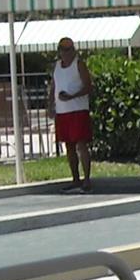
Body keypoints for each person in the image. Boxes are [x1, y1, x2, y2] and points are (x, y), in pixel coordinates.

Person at [51, 36, 94, 192]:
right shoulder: (57, 66)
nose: (66, 52)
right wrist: (50, 104)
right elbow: (53, 86)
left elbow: (88, 86)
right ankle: (75, 179)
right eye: (63, 49)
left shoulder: (79, 64)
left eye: (69, 49)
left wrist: (72, 96)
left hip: (78, 110)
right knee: (68, 146)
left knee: (81, 145)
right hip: (62, 111)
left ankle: (87, 179)